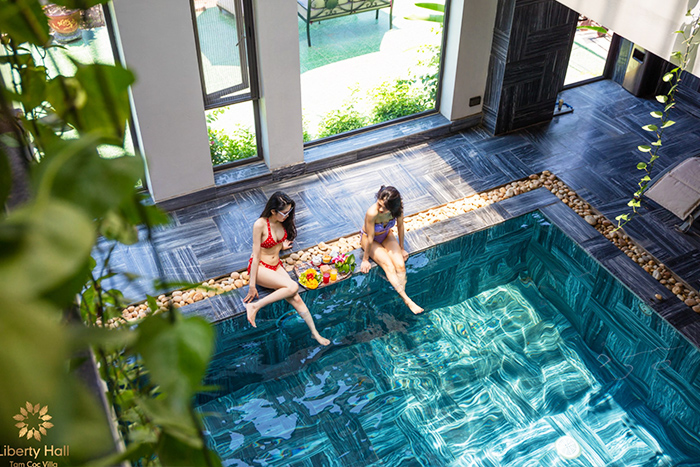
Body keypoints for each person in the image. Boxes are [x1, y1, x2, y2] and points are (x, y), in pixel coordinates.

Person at [244, 192, 330, 346]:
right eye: (284, 212)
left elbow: (277, 238)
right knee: (293, 286)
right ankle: (254, 306)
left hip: (276, 265)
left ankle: (314, 333)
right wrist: (251, 286)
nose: (287, 215)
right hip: (261, 268)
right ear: (273, 211)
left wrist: (280, 244)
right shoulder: (260, 224)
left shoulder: (283, 221)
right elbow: (256, 256)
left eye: (289, 211)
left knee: (296, 297)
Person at [360, 186, 423, 314]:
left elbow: (400, 227)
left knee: (400, 266)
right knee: (388, 266)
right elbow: (371, 237)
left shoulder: (398, 210)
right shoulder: (372, 213)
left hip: (386, 235)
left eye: (385, 207)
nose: (381, 209)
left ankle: (399, 294)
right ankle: (407, 300)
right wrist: (365, 259)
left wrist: (402, 248)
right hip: (369, 239)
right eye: (379, 204)